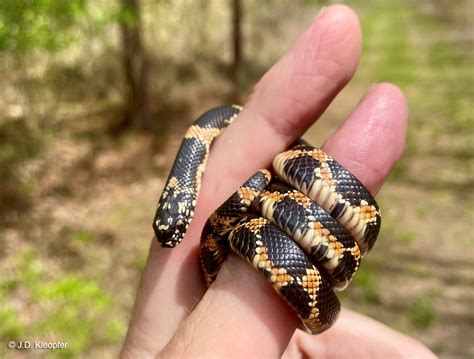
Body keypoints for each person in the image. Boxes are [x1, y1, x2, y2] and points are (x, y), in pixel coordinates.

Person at [121, 5, 435, 358]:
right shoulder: (206, 176)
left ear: (184, 195)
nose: (175, 234)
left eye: (180, 223)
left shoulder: (218, 133)